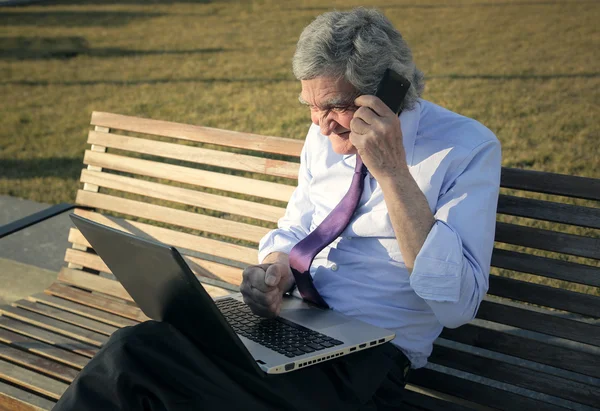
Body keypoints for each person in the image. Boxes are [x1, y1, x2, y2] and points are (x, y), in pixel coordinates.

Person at [53, 7, 501, 411]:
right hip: (292, 327)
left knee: (136, 365)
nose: (319, 124)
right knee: (141, 345)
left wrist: (393, 174)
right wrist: (273, 269)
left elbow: (455, 305)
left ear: (389, 90)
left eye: (334, 107)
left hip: (363, 366)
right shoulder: (323, 137)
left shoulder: (465, 148)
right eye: (310, 105)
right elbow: (296, 227)